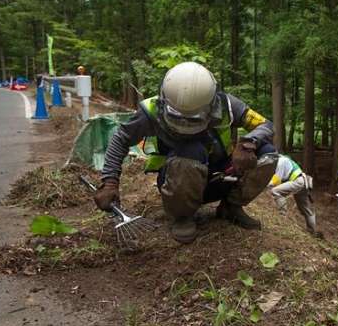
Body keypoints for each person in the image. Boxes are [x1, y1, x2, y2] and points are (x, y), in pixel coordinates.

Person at [93, 62, 277, 244]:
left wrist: (248, 143)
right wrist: (110, 182)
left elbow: (266, 125)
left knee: (268, 154)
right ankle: (182, 216)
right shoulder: (150, 111)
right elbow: (121, 139)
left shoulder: (228, 106)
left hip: (222, 176)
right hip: (178, 181)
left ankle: (231, 206)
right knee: (190, 150)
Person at [268, 154, 321, 237]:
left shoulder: (281, 161)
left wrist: (265, 185)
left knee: (275, 191)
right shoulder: (284, 160)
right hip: (303, 182)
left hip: (298, 182)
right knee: (305, 209)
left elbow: (277, 180)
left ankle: (282, 217)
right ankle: (313, 232)